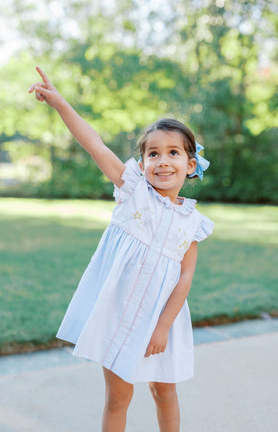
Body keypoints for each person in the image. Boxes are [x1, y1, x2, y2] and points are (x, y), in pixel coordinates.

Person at [29, 66, 214, 432]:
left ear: (190, 164)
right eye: (154, 154)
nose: (163, 161)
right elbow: (94, 143)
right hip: (121, 315)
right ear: (142, 163)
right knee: (117, 397)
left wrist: (162, 327)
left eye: (173, 153)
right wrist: (60, 103)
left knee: (164, 393)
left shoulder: (193, 222)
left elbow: (185, 277)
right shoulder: (133, 192)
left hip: (164, 322)